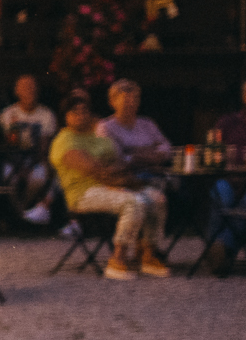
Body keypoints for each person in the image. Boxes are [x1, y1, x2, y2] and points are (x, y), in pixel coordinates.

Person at [51, 91, 169, 280]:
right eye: (75, 112)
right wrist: (119, 176)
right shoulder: (64, 141)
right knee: (133, 202)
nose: (81, 115)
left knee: (157, 198)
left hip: (114, 184)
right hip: (83, 193)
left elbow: (120, 159)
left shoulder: (97, 135)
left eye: (85, 111)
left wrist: (120, 174)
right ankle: (118, 258)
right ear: (65, 116)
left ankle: (147, 254)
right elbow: (95, 170)